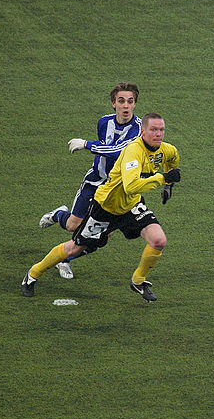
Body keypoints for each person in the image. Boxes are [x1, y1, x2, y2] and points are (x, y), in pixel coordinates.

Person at [22, 113, 181, 301]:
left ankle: (138, 281)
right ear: (142, 131)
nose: (158, 134)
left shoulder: (166, 150)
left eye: (161, 129)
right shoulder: (133, 151)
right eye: (153, 130)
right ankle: (33, 274)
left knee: (158, 240)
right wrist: (162, 178)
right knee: (75, 249)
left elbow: (173, 161)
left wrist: (168, 186)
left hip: (131, 206)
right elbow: (131, 186)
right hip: (106, 207)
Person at [39, 82, 142, 279]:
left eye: (130, 101)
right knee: (72, 225)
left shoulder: (138, 129)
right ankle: (59, 214)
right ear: (114, 104)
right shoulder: (104, 122)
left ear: (135, 104)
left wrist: (87, 144)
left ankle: (64, 260)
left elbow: (118, 152)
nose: (126, 106)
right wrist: (94, 146)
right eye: (121, 101)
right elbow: (106, 147)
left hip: (117, 190)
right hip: (96, 180)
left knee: (101, 235)